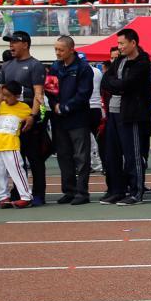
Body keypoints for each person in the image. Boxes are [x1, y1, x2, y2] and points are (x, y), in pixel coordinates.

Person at [99, 28, 151, 206]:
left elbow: (128, 85)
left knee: (133, 155)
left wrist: (118, 85)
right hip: (114, 113)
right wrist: (118, 86)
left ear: (133, 43)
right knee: (112, 154)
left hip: (132, 115)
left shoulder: (142, 63)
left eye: (122, 43)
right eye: (118, 44)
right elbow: (106, 80)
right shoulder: (120, 60)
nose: (119, 47)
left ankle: (136, 192)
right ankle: (117, 190)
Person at [0, 30, 47, 205]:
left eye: (14, 42)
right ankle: (19, 192)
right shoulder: (6, 66)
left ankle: (39, 194)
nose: (11, 45)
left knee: (34, 158)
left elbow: (38, 93)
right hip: (10, 122)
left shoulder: (35, 65)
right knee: (16, 159)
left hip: (27, 119)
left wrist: (32, 116)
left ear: (25, 44)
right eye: (9, 42)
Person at [49, 36, 94, 205]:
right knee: (63, 156)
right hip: (59, 120)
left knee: (81, 157)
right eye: (56, 49)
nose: (58, 53)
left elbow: (84, 94)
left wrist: (65, 107)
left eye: (61, 50)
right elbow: (49, 89)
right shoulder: (55, 66)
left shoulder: (83, 68)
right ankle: (69, 190)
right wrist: (55, 105)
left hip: (78, 119)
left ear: (71, 49)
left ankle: (82, 193)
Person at [0, 80, 33, 208]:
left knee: (17, 170)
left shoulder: (24, 108)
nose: (5, 99)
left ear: (17, 95)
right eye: (4, 95)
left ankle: (26, 196)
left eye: (8, 95)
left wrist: (31, 118)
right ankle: (3, 197)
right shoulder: (0, 105)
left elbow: (36, 113)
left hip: (11, 144)